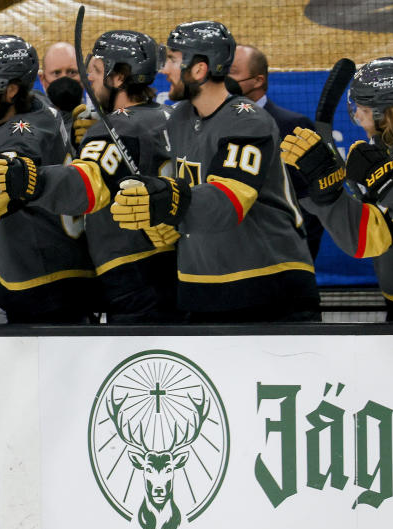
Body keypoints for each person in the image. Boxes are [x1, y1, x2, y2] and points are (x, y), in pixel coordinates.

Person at [111, 21, 320, 322]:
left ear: (198, 70)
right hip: (203, 290)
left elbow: (227, 203)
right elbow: (184, 197)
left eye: (172, 59)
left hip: (270, 288)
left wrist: (166, 201)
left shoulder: (249, 121)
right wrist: (164, 220)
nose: (165, 70)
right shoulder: (179, 118)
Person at [0, 30, 180, 323]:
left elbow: (82, 187)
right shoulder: (172, 116)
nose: (89, 78)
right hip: (177, 267)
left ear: (119, 77)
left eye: (98, 70)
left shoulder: (112, 128)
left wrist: (27, 179)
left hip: (133, 275)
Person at [281, 57, 393, 321]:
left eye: (363, 109)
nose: (356, 114)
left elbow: (365, 240)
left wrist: (329, 196)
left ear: (388, 114)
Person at [0, 34, 95, 323]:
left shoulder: (18, 137)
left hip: (39, 280)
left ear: (11, 90)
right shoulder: (38, 107)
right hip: (63, 265)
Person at [228, 44, 323, 260]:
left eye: (232, 72)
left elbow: (310, 199)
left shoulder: (292, 125)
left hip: (282, 257)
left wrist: (300, 255)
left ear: (258, 80)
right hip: (228, 258)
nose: (223, 79)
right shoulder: (209, 125)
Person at [37, 42, 84, 129]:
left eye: (72, 72)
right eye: (56, 73)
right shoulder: (32, 121)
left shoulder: (97, 117)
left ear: (83, 76)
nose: (64, 79)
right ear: (42, 79)